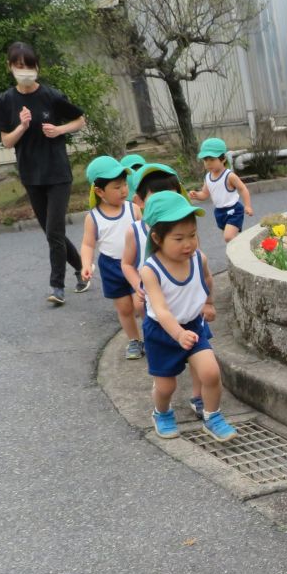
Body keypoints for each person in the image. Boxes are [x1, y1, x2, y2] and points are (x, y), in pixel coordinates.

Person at [0, 41, 89, 306]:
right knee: (51, 232)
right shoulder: (5, 101)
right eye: (19, 66)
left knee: (54, 232)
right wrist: (22, 126)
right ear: (10, 67)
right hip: (31, 175)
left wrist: (60, 130)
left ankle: (57, 287)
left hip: (57, 173)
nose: (25, 71)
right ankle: (81, 268)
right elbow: (7, 142)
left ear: (37, 67)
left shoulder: (51, 95)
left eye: (30, 66)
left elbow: (80, 120)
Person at [138, 191, 237, 443]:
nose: (188, 244)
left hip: (193, 325)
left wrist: (209, 302)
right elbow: (160, 309)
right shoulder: (151, 270)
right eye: (179, 238)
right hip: (162, 332)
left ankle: (212, 416)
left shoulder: (198, 258)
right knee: (166, 386)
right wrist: (177, 333)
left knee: (211, 373)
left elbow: (206, 279)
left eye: (192, 235)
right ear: (158, 238)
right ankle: (161, 412)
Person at [123, 164, 206, 418]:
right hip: (156, 299)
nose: (169, 204)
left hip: (188, 313)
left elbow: (203, 275)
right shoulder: (137, 231)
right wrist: (139, 284)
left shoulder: (187, 239)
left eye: (175, 196)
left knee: (202, 363)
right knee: (165, 381)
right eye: (157, 198)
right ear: (141, 201)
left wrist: (208, 301)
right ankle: (161, 392)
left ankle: (199, 397)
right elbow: (127, 263)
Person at [78, 156, 143, 359]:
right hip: (111, 267)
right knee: (124, 308)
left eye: (124, 184)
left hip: (135, 263)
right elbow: (88, 244)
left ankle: (153, 336)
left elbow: (146, 233)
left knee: (141, 304)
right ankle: (134, 341)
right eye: (117, 187)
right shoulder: (93, 218)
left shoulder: (133, 209)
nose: (124, 190)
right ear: (99, 191)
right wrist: (86, 264)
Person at [188, 137, 253, 242]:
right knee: (230, 240)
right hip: (219, 212)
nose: (208, 163)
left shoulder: (229, 176)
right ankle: (239, 249)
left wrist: (248, 206)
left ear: (223, 159)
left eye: (212, 159)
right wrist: (196, 195)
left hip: (234, 210)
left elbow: (242, 189)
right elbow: (205, 194)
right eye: (205, 160)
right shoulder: (208, 177)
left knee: (228, 237)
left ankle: (241, 247)